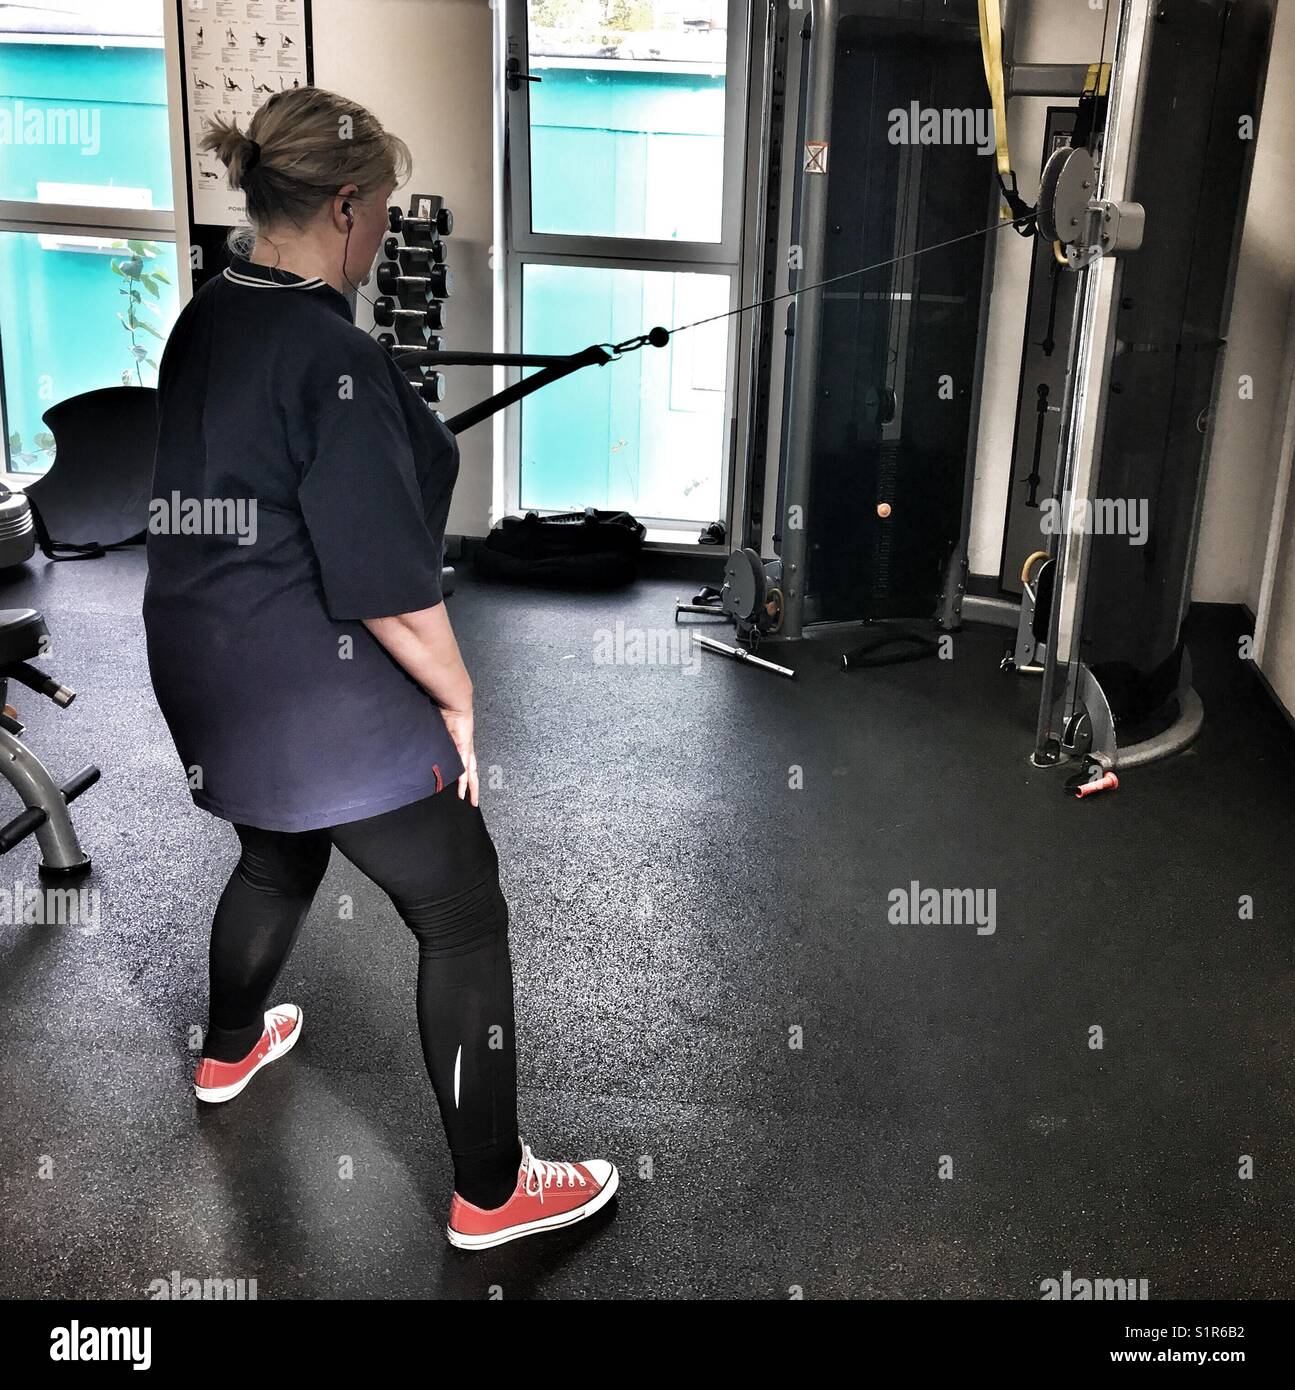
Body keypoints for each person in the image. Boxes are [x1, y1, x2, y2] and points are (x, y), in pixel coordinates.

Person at [142, 86, 617, 1250]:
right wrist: (459, 699)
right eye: (383, 215)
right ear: (346, 207)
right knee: (459, 907)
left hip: (199, 669)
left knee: (277, 847)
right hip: (311, 689)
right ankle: (494, 1192)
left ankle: (229, 1048)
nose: (380, 238)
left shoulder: (209, 313)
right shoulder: (329, 349)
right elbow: (391, 592)